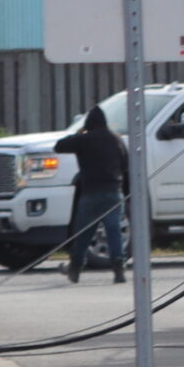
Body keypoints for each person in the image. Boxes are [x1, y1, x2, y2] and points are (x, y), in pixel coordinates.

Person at [54, 105, 131, 284]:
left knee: (83, 233)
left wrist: (79, 133)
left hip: (91, 193)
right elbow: (125, 165)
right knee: (114, 232)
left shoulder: (85, 139)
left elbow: (59, 146)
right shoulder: (116, 139)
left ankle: (75, 269)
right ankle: (118, 269)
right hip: (113, 192)